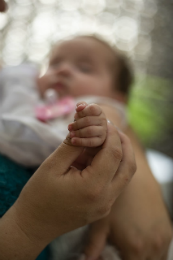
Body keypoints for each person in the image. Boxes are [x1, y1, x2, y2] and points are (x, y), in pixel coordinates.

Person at [0, 31, 172, 260]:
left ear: (117, 96)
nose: (62, 70)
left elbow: (110, 127)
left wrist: (97, 127)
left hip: (83, 224)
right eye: (54, 63)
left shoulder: (102, 107)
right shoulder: (29, 102)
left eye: (84, 68)